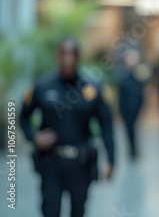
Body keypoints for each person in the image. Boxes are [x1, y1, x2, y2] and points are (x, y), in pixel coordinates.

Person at [21, 38, 115, 217]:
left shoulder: (92, 88)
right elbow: (21, 117)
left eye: (73, 54)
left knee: (78, 212)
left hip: (81, 164)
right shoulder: (42, 86)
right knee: (50, 211)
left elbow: (106, 125)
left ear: (79, 57)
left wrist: (111, 159)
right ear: (58, 56)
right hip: (51, 163)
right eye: (64, 54)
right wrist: (34, 138)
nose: (68, 59)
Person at [118, 49, 146, 159]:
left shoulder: (139, 74)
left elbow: (141, 92)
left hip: (135, 108)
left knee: (133, 129)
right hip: (126, 109)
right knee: (129, 129)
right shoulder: (122, 75)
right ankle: (132, 149)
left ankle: (134, 149)